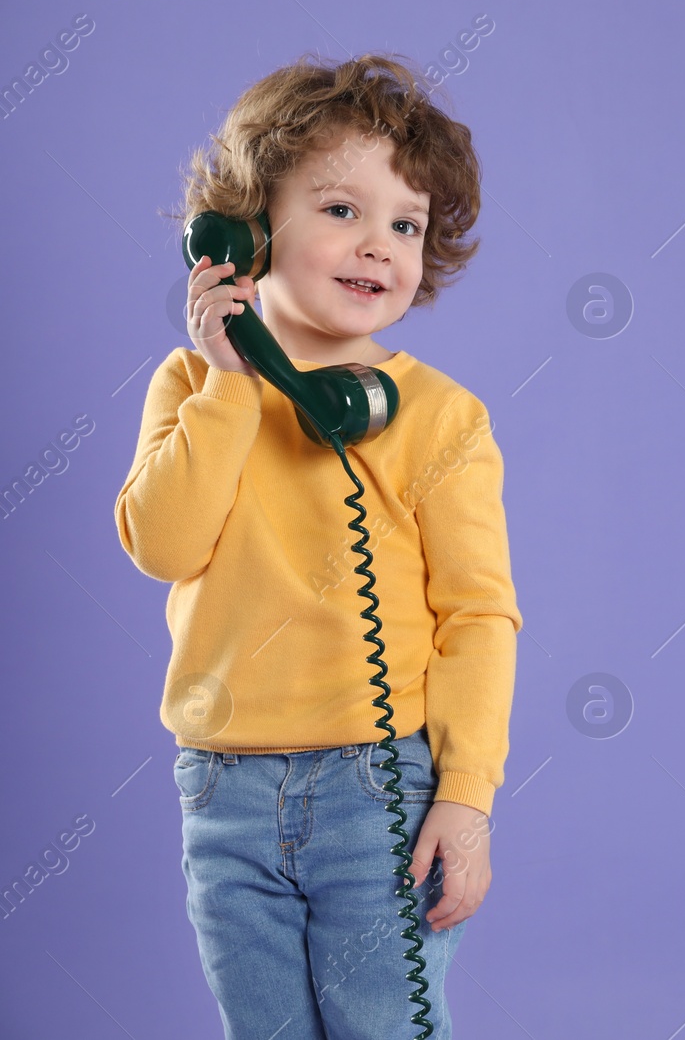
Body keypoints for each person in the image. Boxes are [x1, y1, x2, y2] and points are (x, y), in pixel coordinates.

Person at [114, 52, 521, 1039]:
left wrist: (464, 797)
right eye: (341, 210)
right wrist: (233, 384)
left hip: (377, 785)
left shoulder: (439, 419)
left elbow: (478, 615)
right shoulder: (193, 386)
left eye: (405, 224)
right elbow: (165, 544)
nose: (377, 244)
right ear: (246, 231)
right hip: (223, 787)